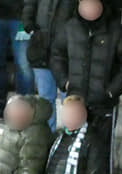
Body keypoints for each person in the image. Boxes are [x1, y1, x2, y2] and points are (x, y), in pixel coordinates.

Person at [51, 0, 122, 159]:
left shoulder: (116, 31)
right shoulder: (69, 28)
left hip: (104, 106)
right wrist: (64, 82)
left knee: (100, 155)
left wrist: (111, 91)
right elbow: (57, 56)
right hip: (75, 102)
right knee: (71, 154)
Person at [22, 0, 77, 129]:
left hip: (69, 51)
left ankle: (70, 141)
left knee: (70, 100)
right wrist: (29, 25)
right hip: (41, 46)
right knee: (45, 101)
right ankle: (48, 141)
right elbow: (29, 4)